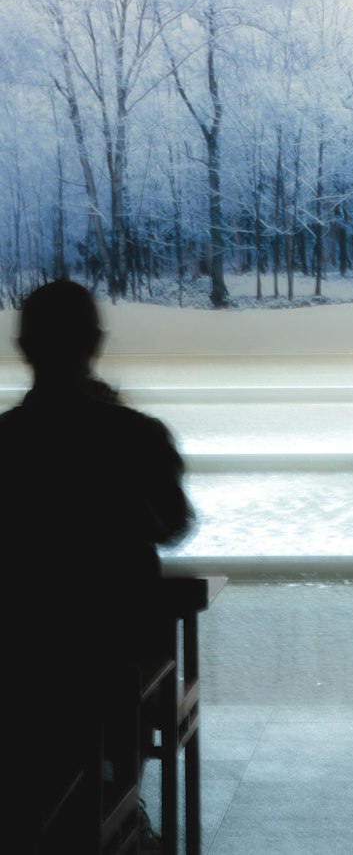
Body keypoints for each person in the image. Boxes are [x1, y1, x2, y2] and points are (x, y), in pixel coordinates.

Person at [0, 279, 194, 851]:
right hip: (112, 652)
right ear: (95, 344)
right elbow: (173, 526)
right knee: (112, 679)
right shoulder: (137, 437)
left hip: (21, 657)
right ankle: (119, 807)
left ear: (26, 347)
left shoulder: (5, 443)